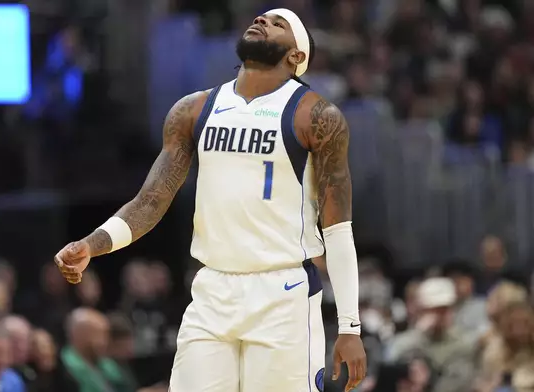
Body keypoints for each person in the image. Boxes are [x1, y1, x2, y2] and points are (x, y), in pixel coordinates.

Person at [54, 8, 366, 392]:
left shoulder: (316, 115)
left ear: (295, 57)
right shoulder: (193, 109)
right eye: (263, 17)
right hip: (212, 288)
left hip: (282, 291)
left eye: (278, 24)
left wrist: (350, 326)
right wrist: (92, 243)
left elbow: (337, 228)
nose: (263, 21)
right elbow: (151, 200)